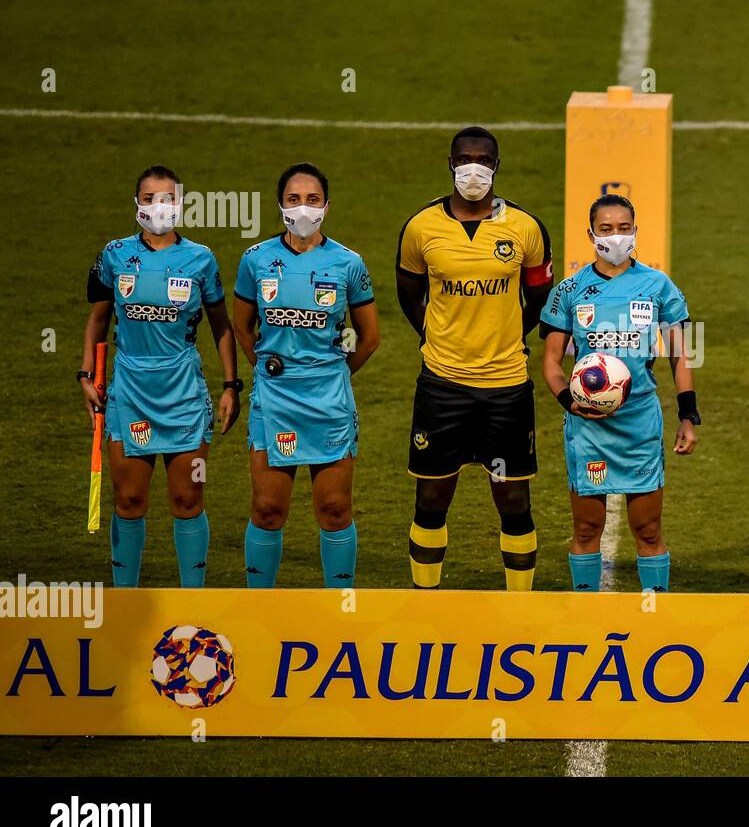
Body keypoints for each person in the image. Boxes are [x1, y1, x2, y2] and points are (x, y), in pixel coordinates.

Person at [396, 126, 554, 590]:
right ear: (450, 164)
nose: (474, 168)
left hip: (506, 385)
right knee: (432, 495)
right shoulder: (421, 227)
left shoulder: (525, 228)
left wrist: (504, 336)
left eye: (483, 160)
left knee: (514, 501)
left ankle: (518, 607)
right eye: (465, 158)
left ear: (496, 166)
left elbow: (539, 297)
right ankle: (426, 601)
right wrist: (439, 336)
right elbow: (409, 294)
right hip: (442, 385)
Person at [80, 164, 241, 587]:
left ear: (181, 204)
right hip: (130, 391)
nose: (159, 206)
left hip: (183, 395)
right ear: (137, 205)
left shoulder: (200, 259)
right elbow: (97, 321)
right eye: (150, 198)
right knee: (129, 500)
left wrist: (230, 385)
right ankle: (125, 601)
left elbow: (221, 326)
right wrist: (85, 375)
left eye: (167, 198)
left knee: (188, 498)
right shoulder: (114, 255)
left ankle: (193, 599)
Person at [540, 194, 698, 592]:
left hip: (639, 424)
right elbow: (551, 363)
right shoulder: (569, 291)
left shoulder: (657, 285)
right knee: (587, 526)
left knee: (648, 529)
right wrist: (569, 403)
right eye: (606, 229)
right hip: (588, 427)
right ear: (591, 234)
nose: (615, 236)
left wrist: (687, 416)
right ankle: (587, 614)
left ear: (636, 231)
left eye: (623, 228)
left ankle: (654, 613)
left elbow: (680, 355)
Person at [232, 163, 380, 587]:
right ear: (280, 205)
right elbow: (242, 326)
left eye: (312, 200)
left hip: (329, 400)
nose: (303, 208)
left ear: (326, 207)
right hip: (274, 399)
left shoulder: (348, 263)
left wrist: (335, 372)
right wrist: (264, 370)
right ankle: (258, 605)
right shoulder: (256, 260)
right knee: (267, 509)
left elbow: (368, 337)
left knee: (335, 510)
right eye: (294, 199)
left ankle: (339, 610)